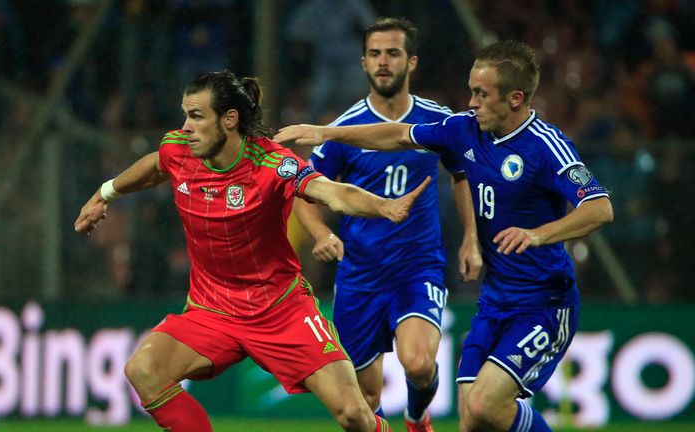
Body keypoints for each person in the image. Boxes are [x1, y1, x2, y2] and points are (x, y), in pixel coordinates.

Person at [275, 40, 614, 432]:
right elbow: (398, 135)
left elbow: (599, 207)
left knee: (486, 405)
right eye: (471, 90)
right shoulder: (464, 129)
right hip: (495, 300)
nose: (471, 102)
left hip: (544, 301)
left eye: (482, 95)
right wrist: (328, 133)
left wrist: (539, 234)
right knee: (472, 418)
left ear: (516, 99)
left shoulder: (546, 146)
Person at [73, 70, 433, 432]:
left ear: (229, 119)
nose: (185, 126)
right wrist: (106, 194)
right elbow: (156, 164)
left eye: (196, 116)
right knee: (143, 369)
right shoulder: (179, 149)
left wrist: (383, 206)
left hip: (281, 311)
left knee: (355, 415)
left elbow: (331, 192)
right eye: (185, 114)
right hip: (212, 311)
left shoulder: (273, 165)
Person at [292, 17, 481, 432]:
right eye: (375, 54)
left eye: (392, 53)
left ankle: (417, 418)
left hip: (418, 267)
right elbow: (303, 191)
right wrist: (322, 234)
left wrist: (471, 239)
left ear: (411, 62)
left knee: (418, 364)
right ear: (362, 62)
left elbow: (462, 174)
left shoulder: (437, 120)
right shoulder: (342, 129)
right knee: (367, 399)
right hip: (360, 273)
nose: (383, 62)